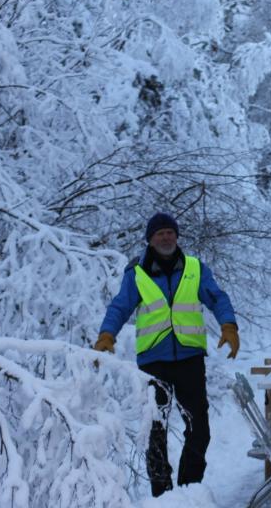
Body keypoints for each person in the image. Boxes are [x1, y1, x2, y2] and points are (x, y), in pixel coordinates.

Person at [92, 212, 240, 498]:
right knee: (155, 429)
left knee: (199, 427)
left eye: (170, 232)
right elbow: (120, 307)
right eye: (160, 233)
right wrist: (106, 335)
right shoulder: (137, 273)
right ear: (149, 239)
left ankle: (189, 488)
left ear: (177, 236)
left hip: (189, 359)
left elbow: (217, 297)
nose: (166, 237)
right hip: (153, 361)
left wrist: (229, 325)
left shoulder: (195, 268)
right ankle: (162, 493)